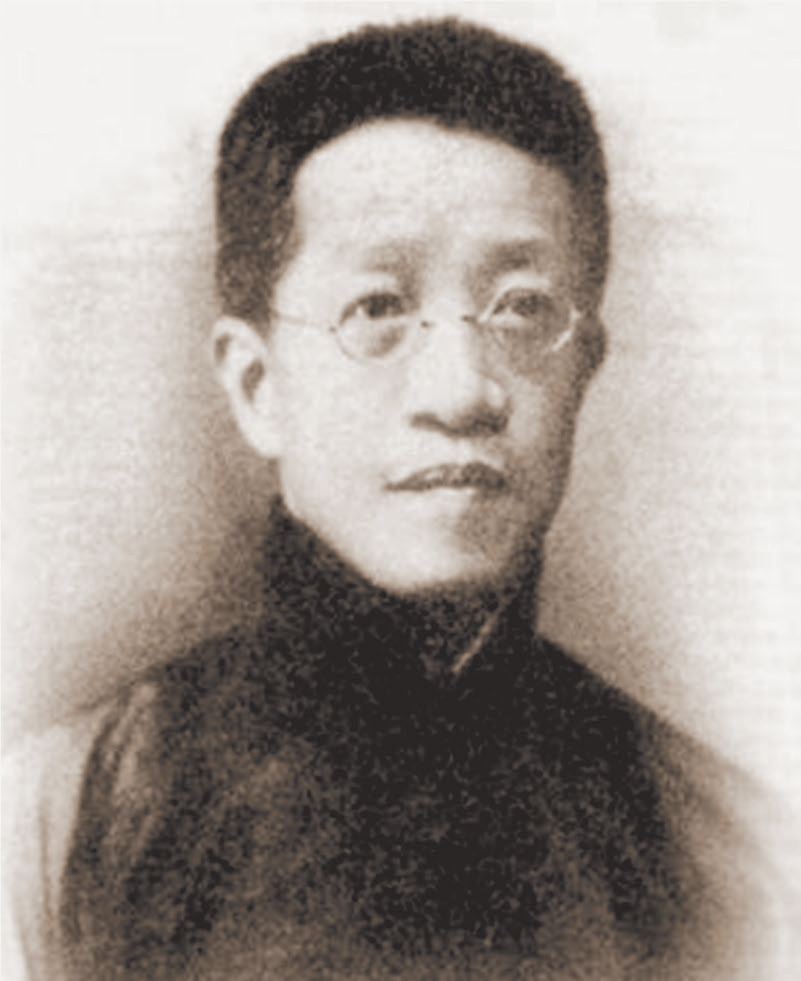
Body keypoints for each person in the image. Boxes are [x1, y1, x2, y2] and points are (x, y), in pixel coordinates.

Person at [4, 17, 797, 981]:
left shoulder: (743, 862)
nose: (462, 391)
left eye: (522, 307)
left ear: (584, 367)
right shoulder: (52, 823)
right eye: (377, 309)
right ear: (258, 386)